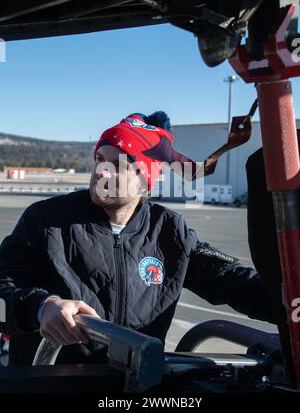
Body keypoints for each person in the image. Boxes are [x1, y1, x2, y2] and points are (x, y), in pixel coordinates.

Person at [0, 111, 273, 365]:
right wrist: (41, 306)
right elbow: (5, 285)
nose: (102, 172)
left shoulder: (169, 230)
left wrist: (287, 298)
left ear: (145, 181)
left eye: (118, 164)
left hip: (137, 384)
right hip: (55, 384)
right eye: (99, 159)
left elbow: (229, 278)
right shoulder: (47, 221)